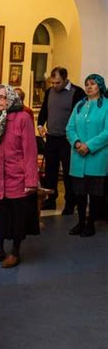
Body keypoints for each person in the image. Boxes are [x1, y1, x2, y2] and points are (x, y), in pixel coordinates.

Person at [0, 84, 39, 268]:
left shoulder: (23, 118)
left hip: (18, 176)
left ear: (11, 99)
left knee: (17, 218)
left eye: (2, 97)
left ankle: (15, 252)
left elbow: (30, 151)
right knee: (0, 215)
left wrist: (31, 180)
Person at [37, 66, 85, 213]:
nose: (54, 86)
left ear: (65, 79)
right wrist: (40, 124)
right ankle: (51, 200)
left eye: (57, 82)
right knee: (50, 171)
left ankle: (70, 202)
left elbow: (80, 116)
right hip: (51, 137)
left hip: (68, 140)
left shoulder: (77, 92)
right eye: (52, 83)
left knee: (68, 173)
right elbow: (44, 110)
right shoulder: (49, 92)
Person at [66, 74, 108, 237]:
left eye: (93, 84)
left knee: (95, 193)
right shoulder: (79, 105)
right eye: (87, 84)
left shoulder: (106, 105)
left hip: (97, 157)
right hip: (78, 157)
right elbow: (69, 128)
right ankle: (81, 221)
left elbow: (107, 132)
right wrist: (77, 143)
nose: (89, 87)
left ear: (100, 86)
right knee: (80, 193)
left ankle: (91, 224)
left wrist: (89, 146)